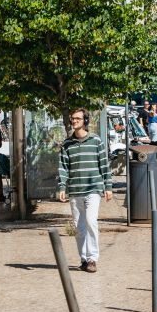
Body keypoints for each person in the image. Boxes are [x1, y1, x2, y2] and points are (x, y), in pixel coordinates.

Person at [57, 108, 112, 273]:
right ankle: (83, 258)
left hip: (93, 189)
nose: (74, 121)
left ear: (85, 121)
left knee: (90, 221)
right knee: (78, 227)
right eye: (72, 119)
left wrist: (108, 187)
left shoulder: (96, 141)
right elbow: (63, 168)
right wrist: (62, 187)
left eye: (77, 119)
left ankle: (92, 258)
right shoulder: (67, 144)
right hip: (75, 190)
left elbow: (104, 165)